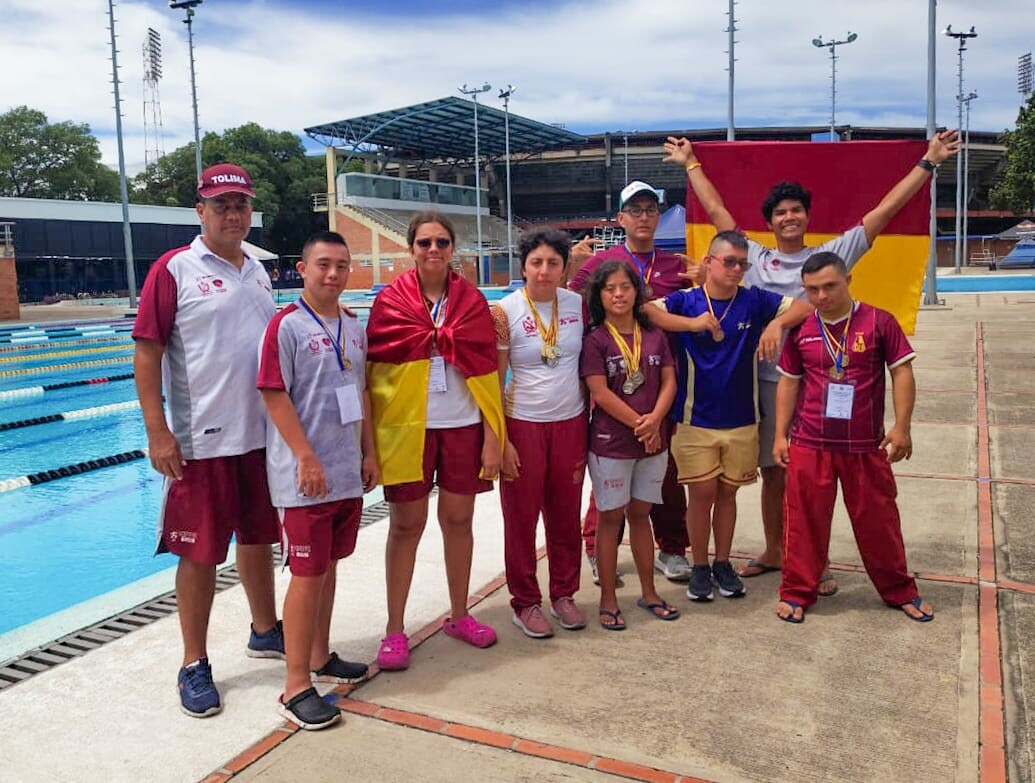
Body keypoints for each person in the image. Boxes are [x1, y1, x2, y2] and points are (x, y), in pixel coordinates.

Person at [663, 131, 960, 595]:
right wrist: (690, 165)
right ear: (769, 221)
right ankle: (775, 550)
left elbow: (881, 215)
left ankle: (813, 561)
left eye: (795, 211)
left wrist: (929, 161)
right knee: (773, 472)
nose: (788, 217)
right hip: (763, 384)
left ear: (806, 216)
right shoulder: (753, 258)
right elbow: (720, 214)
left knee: (812, 478)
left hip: (820, 382)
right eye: (780, 212)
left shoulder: (829, 257)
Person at [133, 163, 282, 718]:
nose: (232, 213)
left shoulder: (259, 271)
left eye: (240, 204)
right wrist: (158, 432)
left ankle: (265, 630)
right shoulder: (175, 269)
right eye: (221, 205)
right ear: (200, 211)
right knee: (198, 554)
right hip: (201, 441)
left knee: (258, 538)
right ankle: (193, 662)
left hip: (260, 436)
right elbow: (146, 351)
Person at [366, 211, 506, 670]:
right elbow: (374, 377)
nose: (433, 250)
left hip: (464, 425)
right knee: (406, 526)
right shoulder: (390, 302)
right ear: (411, 249)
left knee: (459, 521)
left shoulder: (472, 303)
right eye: (424, 242)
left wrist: (492, 436)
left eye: (441, 242)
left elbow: (488, 372)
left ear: (452, 249)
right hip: (410, 430)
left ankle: (461, 615)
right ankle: (393, 629)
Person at [646, 231, 810, 603]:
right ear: (708, 262)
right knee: (701, 492)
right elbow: (646, 310)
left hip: (742, 418)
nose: (736, 269)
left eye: (742, 263)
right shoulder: (686, 301)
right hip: (694, 418)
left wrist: (776, 324)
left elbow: (804, 306)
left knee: (728, 494)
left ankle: (722, 562)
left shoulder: (753, 300)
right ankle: (700, 565)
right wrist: (691, 325)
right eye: (728, 261)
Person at [257, 231, 378, 730]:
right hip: (304, 477)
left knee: (327, 568)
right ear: (301, 270)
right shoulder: (285, 326)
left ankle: (319, 655)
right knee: (306, 575)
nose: (333, 274)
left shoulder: (353, 325)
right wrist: (305, 457)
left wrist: (369, 451)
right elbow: (273, 393)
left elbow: (362, 390)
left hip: (345, 470)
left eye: (342, 265)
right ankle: (294, 686)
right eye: (323, 264)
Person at [772, 252, 931, 623]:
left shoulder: (878, 321)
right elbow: (788, 383)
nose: (822, 296)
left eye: (830, 286)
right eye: (813, 290)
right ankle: (797, 592)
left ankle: (899, 589)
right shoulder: (802, 329)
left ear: (849, 281)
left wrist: (902, 426)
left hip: (864, 445)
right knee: (803, 522)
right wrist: (780, 436)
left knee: (879, 521)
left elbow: (902, 373)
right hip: (810, 443)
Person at [568, 181, 700, 584]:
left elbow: (702, 309)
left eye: (650, 210)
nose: (643, 217)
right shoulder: (599, 265)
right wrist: (573, 267)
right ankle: (596, 548)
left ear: (659, 216)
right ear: (621, 218)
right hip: (613, 382)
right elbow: (568, 309)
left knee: (664, 468)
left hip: (663, 381)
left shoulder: (678, 265)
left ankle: (672, 547)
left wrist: (699, 286)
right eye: (635, 210)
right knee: (612, 469)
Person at [492, 228, 588, 638]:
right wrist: (501, 441)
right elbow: (494, 383)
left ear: (564, 267)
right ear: (524, 266)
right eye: (536, 262)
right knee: (521, 519)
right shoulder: (504, 311)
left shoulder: (580, 306)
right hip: (523, 423)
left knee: (566, 517)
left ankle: (564, 594)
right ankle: (525, 602)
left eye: (553, 263)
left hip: (570, 423)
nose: (544, 271)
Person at [581, 260, 680, 630]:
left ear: (637, 291)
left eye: (625, 287)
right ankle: (608, 598)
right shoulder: (596, 340)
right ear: (600, 296)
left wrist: (655, 419)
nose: (618, 294)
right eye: (610, 289)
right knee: (610, 518)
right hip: (612, 444)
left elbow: (669, 380)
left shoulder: (654, 335)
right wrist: (641, 423)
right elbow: (599, 392)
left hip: (654, 441)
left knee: (641, 515)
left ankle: (650, 593)